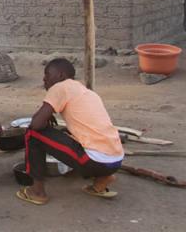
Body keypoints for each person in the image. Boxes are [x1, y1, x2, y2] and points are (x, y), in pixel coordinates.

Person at [17, 58, 124, 205]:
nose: (44, 79)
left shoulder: (60, 87)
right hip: (116, 160)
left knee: (32, 134)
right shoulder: (85, 91)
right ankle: (102, 179)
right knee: (66, 134)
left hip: (94, 160)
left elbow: (35, 125)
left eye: (47, 74)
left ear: (61, 76)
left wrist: (44, 117)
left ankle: (37, 192)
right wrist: (49, 115)